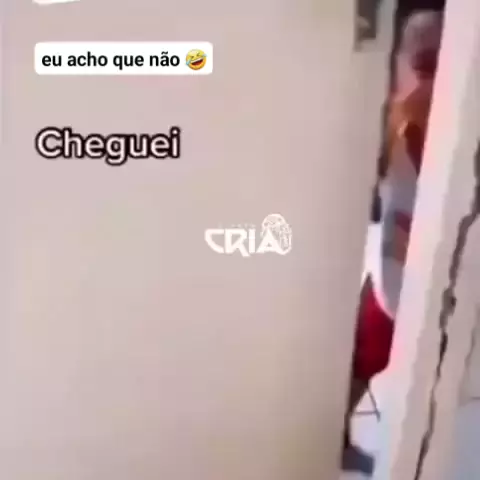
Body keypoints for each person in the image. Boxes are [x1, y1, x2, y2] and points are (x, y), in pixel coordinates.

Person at [342, 10, 444, 475]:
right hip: (393, 271)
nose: (425, 82)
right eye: (420, 66)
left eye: (432, 67)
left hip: (440, 276)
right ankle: (336, 436)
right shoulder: (397, 122)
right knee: (361, 353)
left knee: (433, 368)